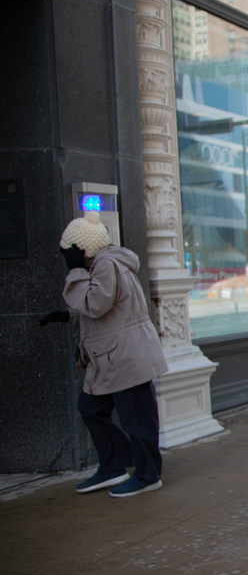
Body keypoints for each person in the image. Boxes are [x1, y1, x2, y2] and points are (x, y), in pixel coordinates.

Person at [39, 211, 169, 497]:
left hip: (124, 358)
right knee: (91, 408)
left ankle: (148, 474)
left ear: (83, 250)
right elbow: (103, 310)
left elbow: (96, 303)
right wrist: (68, 316)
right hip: (110, 359)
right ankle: (113, 465)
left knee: (136, 417)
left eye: (70, 252)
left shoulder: (106, 264)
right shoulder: (103, 264)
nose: (68, 259)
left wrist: (75, 272)